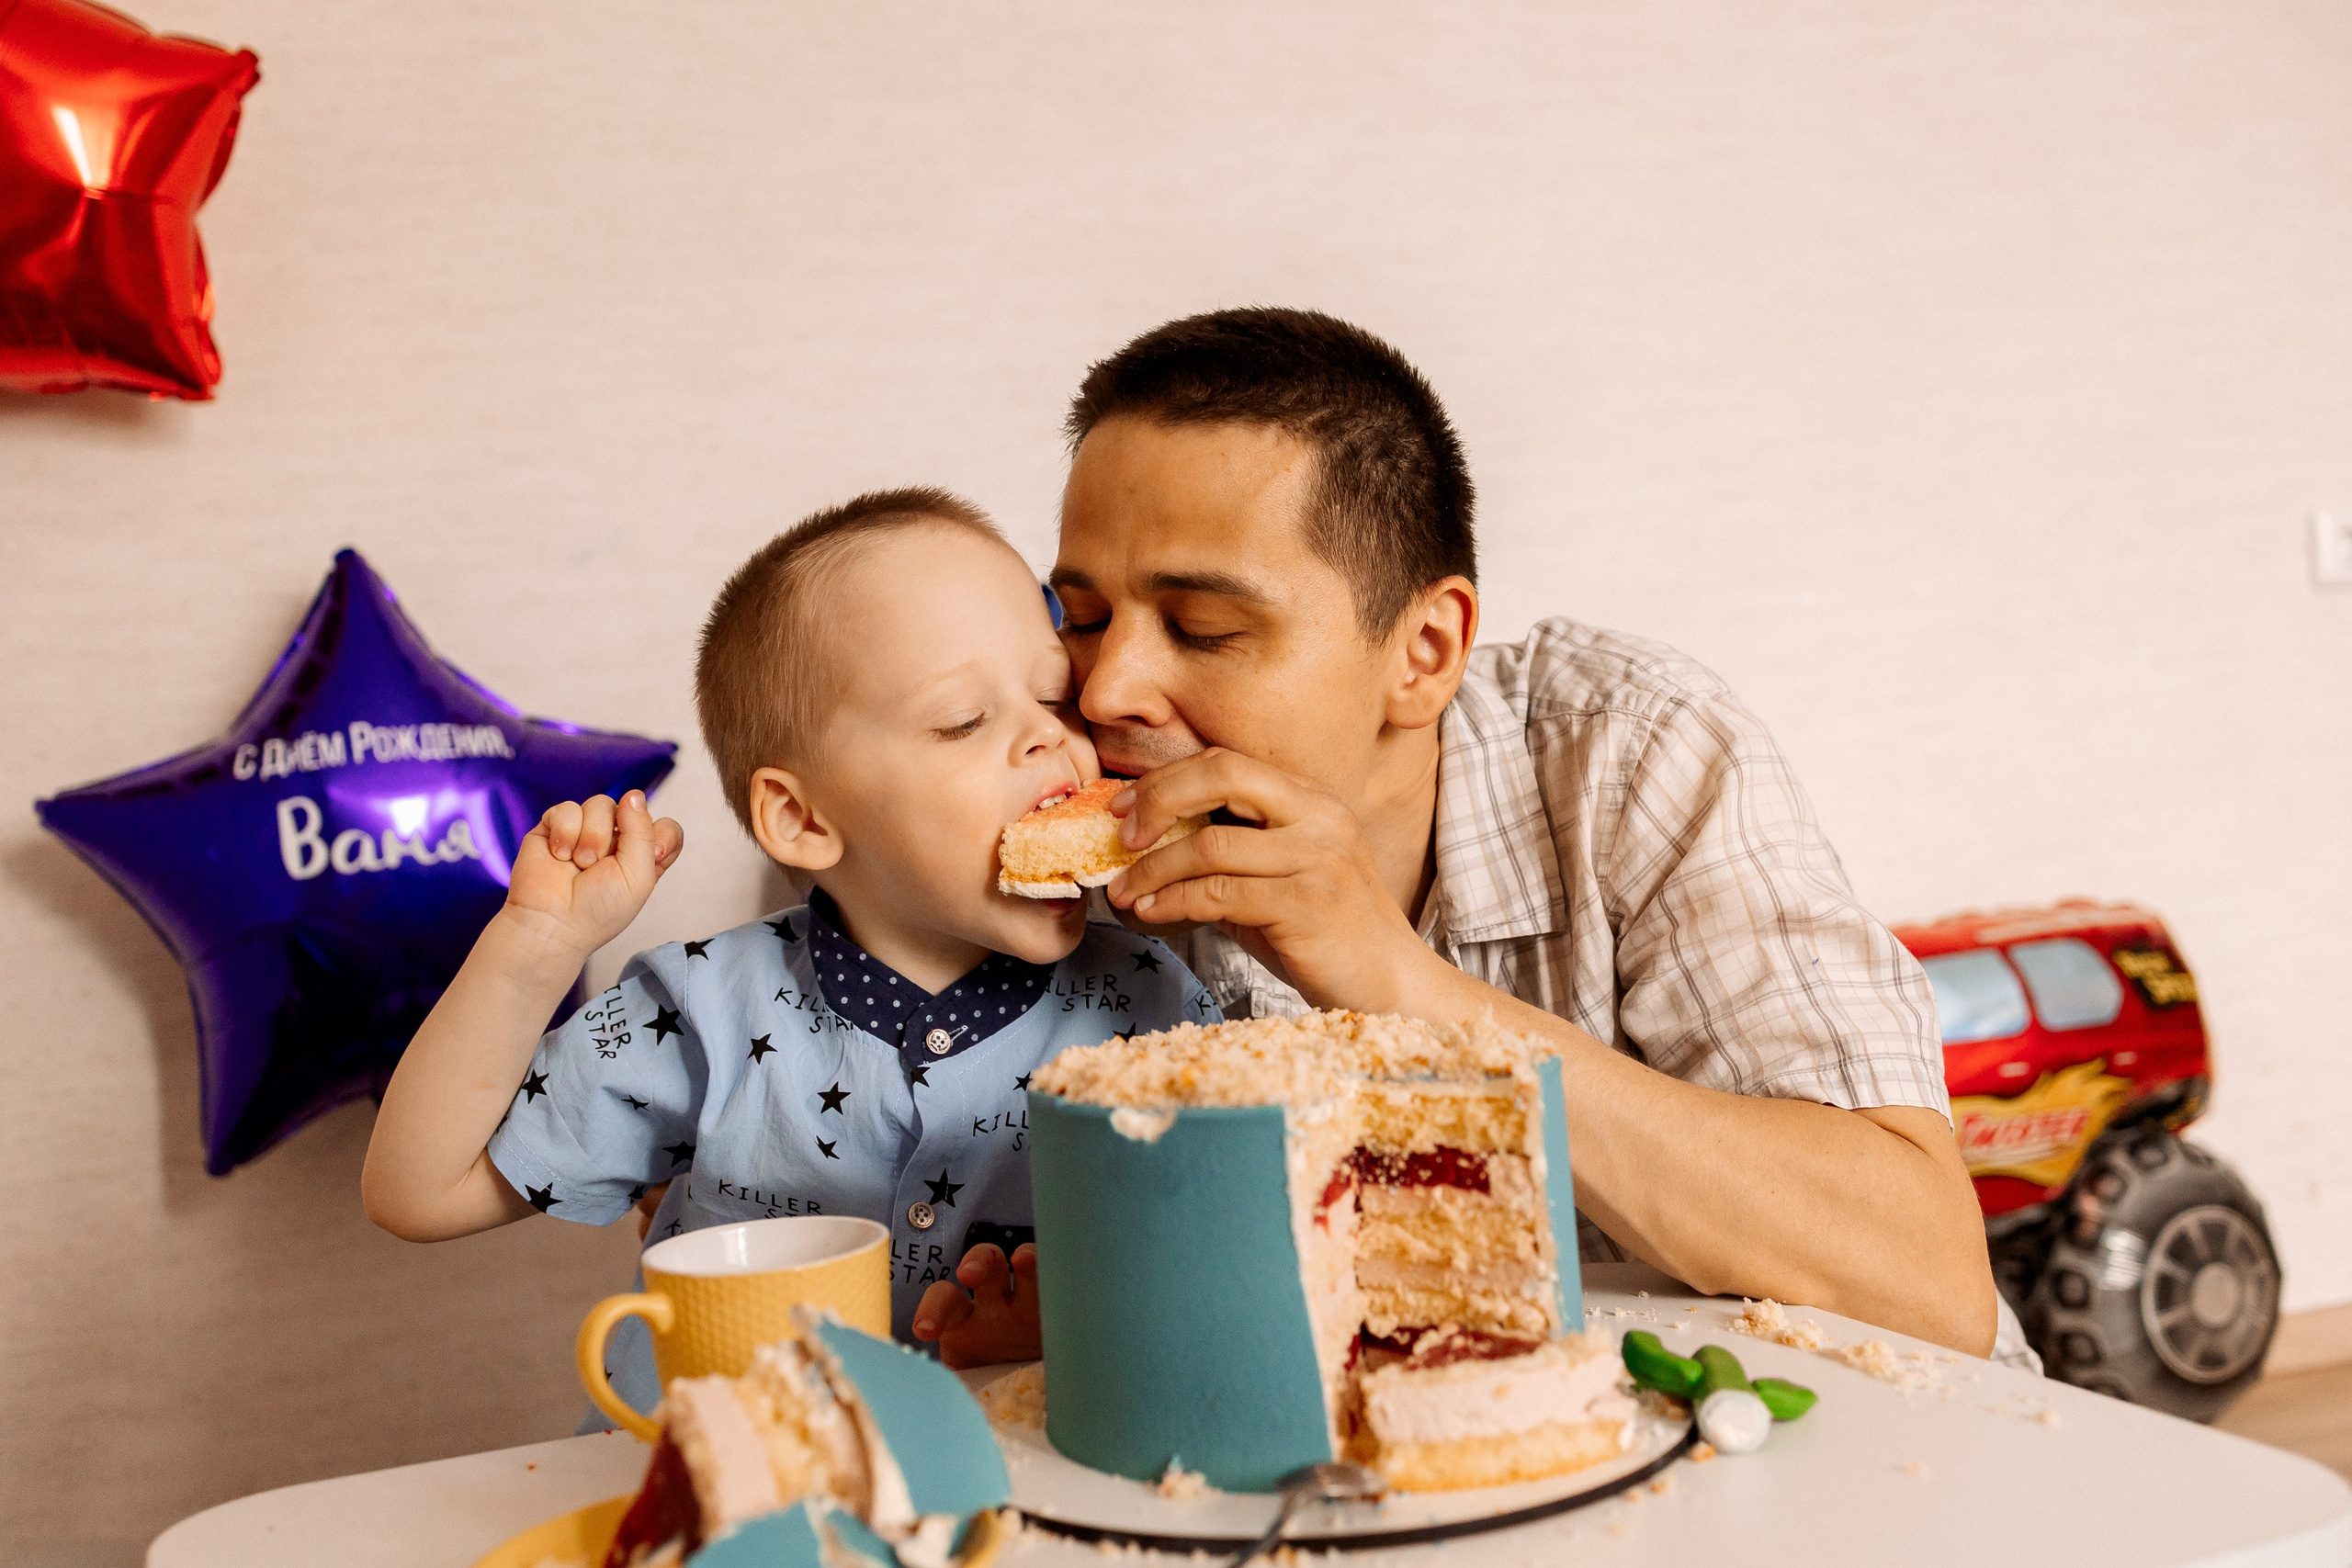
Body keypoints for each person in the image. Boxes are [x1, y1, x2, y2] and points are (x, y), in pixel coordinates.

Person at [1048, 309, 2010, 1359]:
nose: (1107, 689)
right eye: (1082, 618)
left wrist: (1397, 980)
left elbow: (1927, 1285)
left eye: (1203, 629)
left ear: (1422, 652)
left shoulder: (1626, 752)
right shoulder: (1029, 802)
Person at [361, 488, 1219, 1421]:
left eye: (1054, 695)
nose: (1050, 736)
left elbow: (1237, 1275)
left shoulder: (1150, 1009)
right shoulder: (698, 1007)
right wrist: (536, 943)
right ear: (803, 818)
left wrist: (1070, 1319)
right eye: (965, 720)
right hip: (713, 1492)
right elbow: (420, 1193)